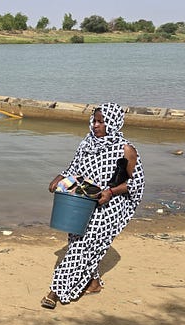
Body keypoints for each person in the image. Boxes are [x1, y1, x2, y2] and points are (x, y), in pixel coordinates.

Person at [41, 103, 145, 309]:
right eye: (95, 120)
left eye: (101, 121)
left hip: (110, 206)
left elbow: (137, 182)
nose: (96, 125)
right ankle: (94, 283)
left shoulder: (126, 150)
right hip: (83, 202)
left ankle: (55, 291)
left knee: (80, 248)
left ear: (113, 122)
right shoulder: (87, 143)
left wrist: (111, 192)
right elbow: (73, 168)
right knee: (82, 244)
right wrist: (59, 178)